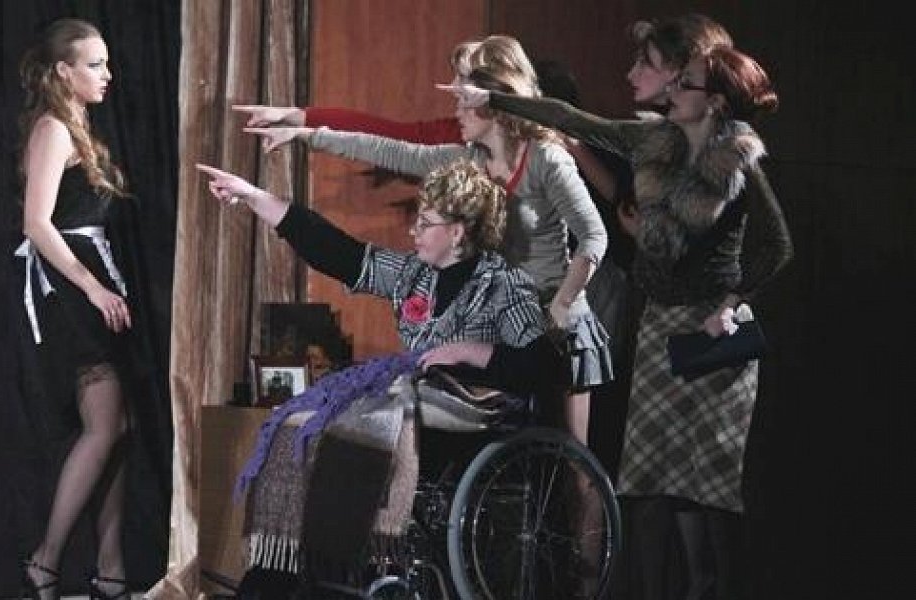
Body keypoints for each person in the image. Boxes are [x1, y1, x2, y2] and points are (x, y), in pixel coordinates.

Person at [444, 38, 793, 600]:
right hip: (660, 327)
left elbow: (776, 245)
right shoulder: (653, 140)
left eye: (685, 83)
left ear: (715, 103)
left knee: (708, 493)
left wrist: (730, 304)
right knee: (650, 484)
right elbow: (572, 118)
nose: (672, 89)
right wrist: (496, 99)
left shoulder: (739, 160)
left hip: (714, 334)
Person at [196, 158, 569, 599]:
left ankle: (318, 574)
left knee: (344, 435)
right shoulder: (414, 275)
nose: (414, 231)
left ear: (457, 232)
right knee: (298, 429)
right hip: (414, 399)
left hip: (472, 413)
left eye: (425, 223)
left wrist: (473, 351)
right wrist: (254, 196)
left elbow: (545, 365)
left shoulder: (503, 286)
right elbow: (336, 251)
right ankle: (283, 572)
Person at [241, 38, 612, 446]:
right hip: (499, 310)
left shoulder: (546, 160)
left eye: (464, 98)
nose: (456, 109)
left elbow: (594, 236)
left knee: (571, 450)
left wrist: (562, 302)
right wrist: (306, 134)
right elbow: (390, 148)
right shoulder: (470, 160)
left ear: (493, 102)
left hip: (554, 315)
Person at [15, 17, 132, 600]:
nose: (107, 74)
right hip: (70, 290)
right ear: (64, 71)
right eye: (95, 64)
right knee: (104, 426)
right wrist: (91, 288)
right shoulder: (53, 129)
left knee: (118, 428)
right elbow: (37, 224)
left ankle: (110, 571)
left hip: (93, 284)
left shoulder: (80, 127)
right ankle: (46, 559)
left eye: (106, 62)